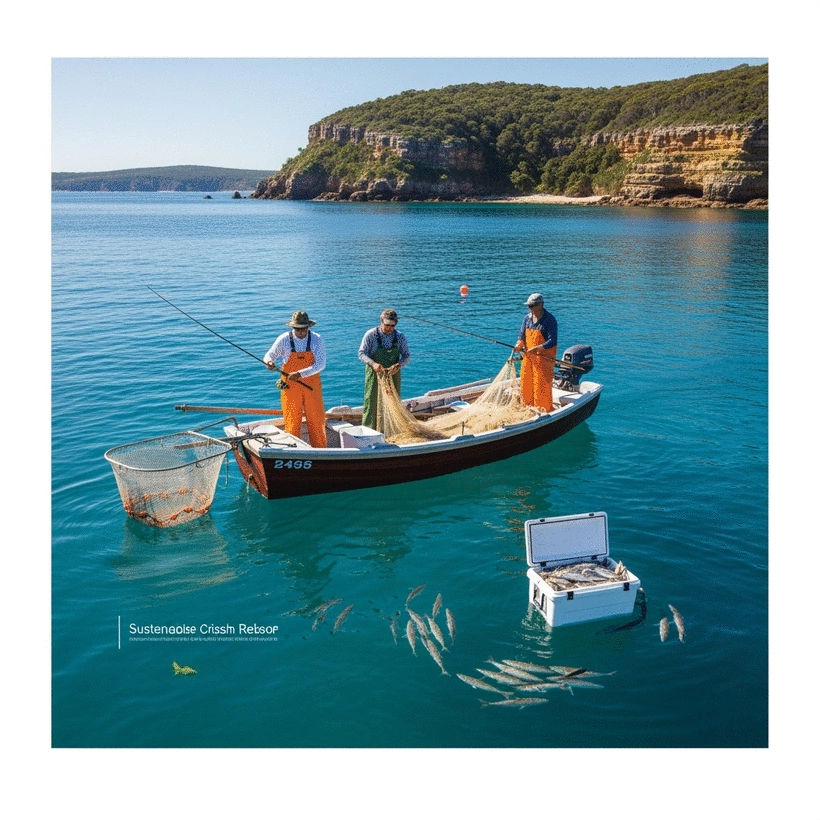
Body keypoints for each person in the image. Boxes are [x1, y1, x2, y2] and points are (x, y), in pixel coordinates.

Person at [264, 310, 327, 448]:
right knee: (292, 419)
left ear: (308, 327)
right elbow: (269, 355)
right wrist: (269, 362)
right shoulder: (283, 339)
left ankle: (321, 450)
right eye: (297, 329)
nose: (301, 332)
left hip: (312, 385)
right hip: (290, 387)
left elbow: (320, 364)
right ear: (292, 327)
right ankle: (293, 449)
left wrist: (300, 374)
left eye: (303, 329)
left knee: (316, 419)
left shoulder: (317, 339)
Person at [358, 308, 411, 431]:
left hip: (393, 374)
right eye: (387, 325)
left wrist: (399, 365)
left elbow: (407, 356)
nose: (389, 328)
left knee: (393, 403)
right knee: (371, 403)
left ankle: (391, 431)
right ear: (381, 321)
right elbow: (361, 354)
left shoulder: (400, 337)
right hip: (375, 374)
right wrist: (373, 364)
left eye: (392, 326)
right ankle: (369, 431)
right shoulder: (371, 335)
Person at [514, 293, 558, 411]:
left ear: (541, 305)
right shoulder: (527, 318)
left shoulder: (550, 320)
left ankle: (543, 410)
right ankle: (527, 408)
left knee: (541, 386)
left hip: (543, 359)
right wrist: (519, 345)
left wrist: (537, 348)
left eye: (532, 306)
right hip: (529, 358)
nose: (530, 308)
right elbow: (521, 336)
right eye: (529, 306)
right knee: (526, 383)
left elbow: (552, 341)